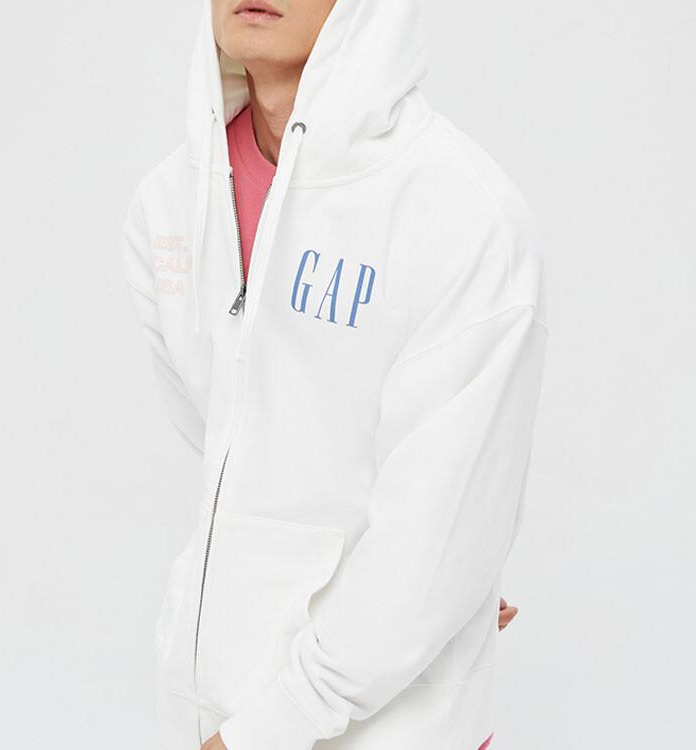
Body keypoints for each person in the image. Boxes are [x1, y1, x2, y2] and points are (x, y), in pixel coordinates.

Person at [122, 1, 548, 749]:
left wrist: (271, 728)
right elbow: (231, 447)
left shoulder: (461, 216)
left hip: (391, 729)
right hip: (213, 712)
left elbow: (433, 538)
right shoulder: (169, 205)